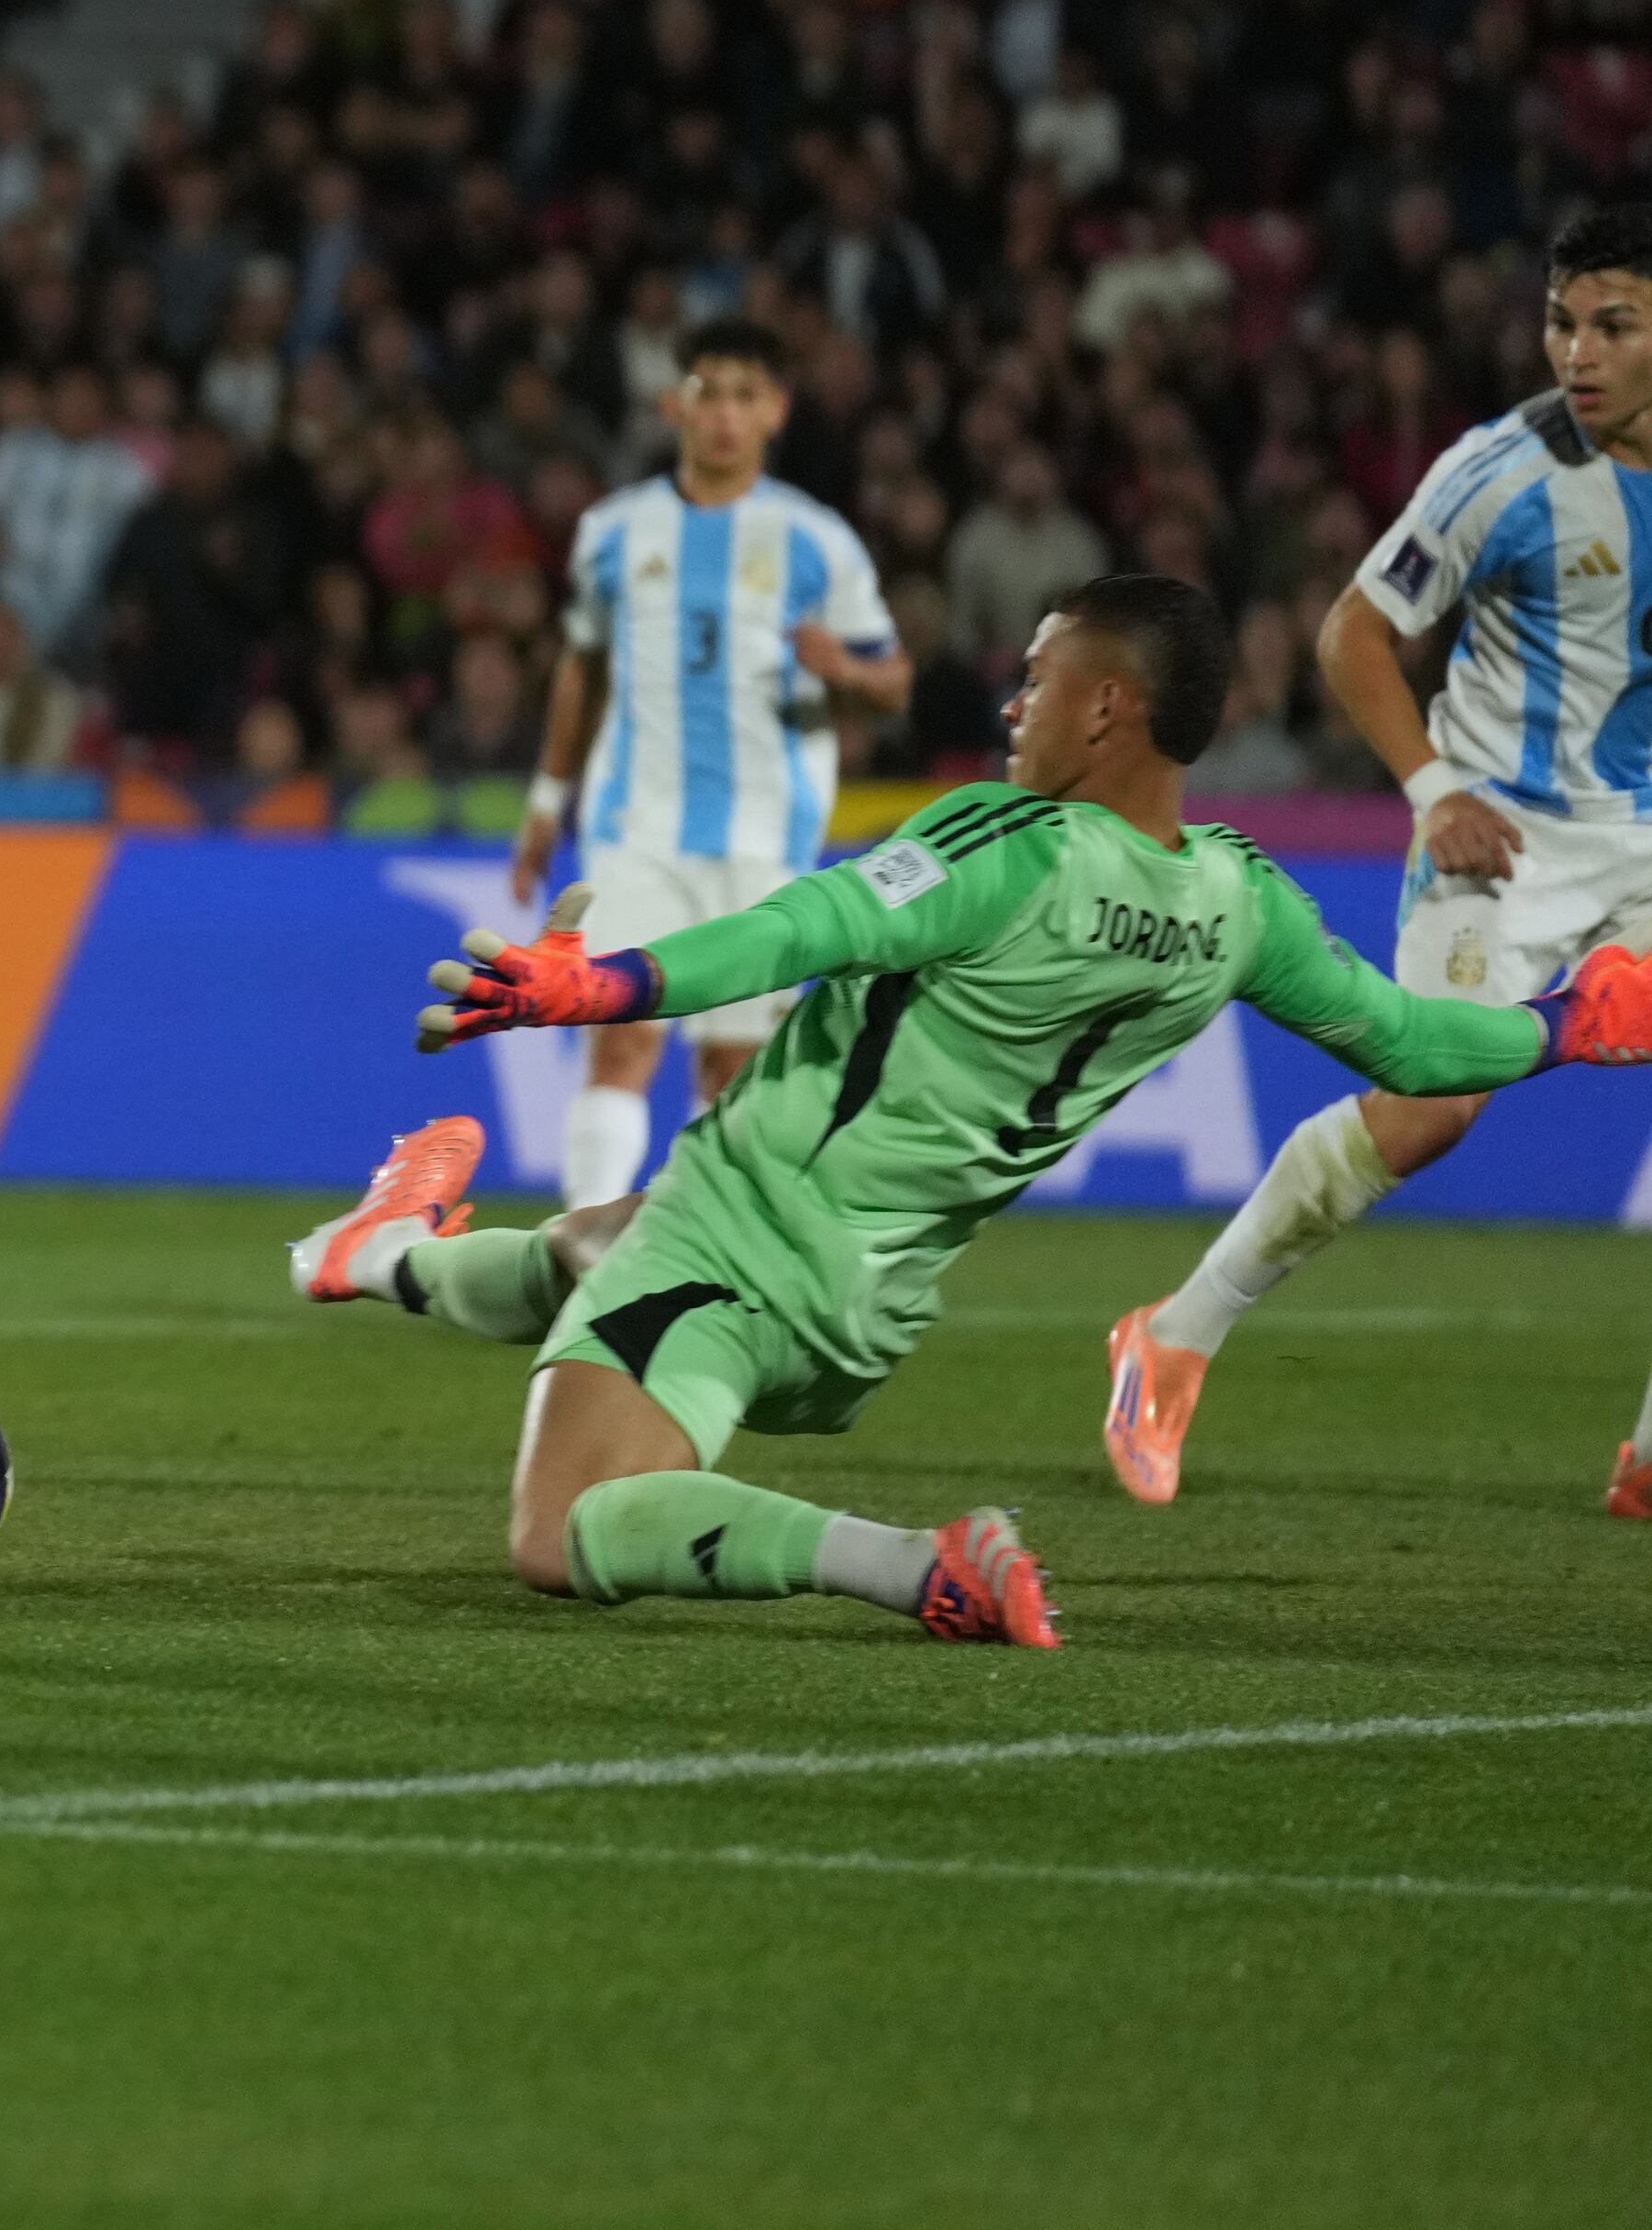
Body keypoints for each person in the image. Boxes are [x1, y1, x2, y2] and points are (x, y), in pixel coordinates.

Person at [305, 573, 1652, 1647]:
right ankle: (370, 1254)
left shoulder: (1007, 846)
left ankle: (917, 1566)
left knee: (560, 1529)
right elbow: (1416, 1047)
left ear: (1109, 707)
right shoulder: (1241, 901)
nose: (1015, 703)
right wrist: (1566, 1023)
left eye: (1038, 678)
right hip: (870, 1309)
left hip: (742, 1234)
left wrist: (599, 983)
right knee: (593, 1247)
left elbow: (802, 927)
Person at [1107, 205, 1652, 1519]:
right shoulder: (1502, 470)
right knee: (1430, 1108)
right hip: (1500, 832)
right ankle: (1172, 1336)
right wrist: (1432, 788)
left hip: (1640, 840)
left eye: (1613, 326)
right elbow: (1354, 632)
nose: (1577, 351)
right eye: (1560, 321)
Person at [510, 316, 909, 1215]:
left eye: (743, 396)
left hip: (763, 838)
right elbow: (582, 666)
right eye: (706, 393)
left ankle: (680, 1261)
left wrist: (844, 670)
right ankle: (580, 1253)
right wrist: (545, 801)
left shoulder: (816, 540)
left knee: (729, 1070)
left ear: (774, 411)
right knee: (616, 1036)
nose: (723, 414)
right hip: (632, 829)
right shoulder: (612, 531)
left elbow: (893, 679)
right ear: (672, 404)